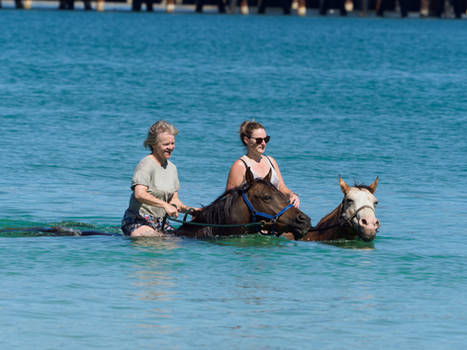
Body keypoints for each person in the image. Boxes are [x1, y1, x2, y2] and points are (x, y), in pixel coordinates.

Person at [121, 120, 195, 237]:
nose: (170, 147)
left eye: (172, 143)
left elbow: (174, 201)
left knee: (184, 240)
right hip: (138, 221)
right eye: (166, 144)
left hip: (161, 222)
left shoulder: (172, 168)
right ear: (153, 145)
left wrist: (191, 211)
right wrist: (165, 205)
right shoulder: (146, 164)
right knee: (154, 238)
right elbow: (139, 194)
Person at [226, 120, 300, 208]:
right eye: (259, 140)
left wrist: (292, 195)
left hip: (274, 214)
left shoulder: (271, 161)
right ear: (246, 140)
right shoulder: (240, 166)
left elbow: (282, 188)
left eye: (266, 139)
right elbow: (229, 200)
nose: (263, 143)